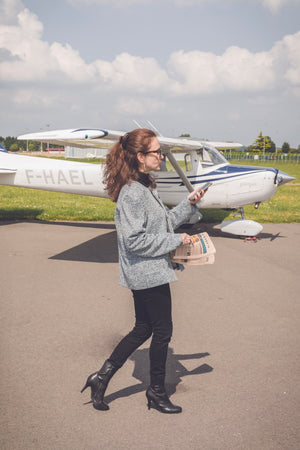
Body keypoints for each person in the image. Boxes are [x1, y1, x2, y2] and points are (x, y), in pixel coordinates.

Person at [81, 128, 206, 414]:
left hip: (151, 270)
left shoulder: (145, 187)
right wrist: (178, 240)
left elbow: (161, 226)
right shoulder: (132, 193)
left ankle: (100, 378)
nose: (161, 156)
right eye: (156, 151)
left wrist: (188, 205)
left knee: (144, 328)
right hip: (146, 272)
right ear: (140, 156)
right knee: (162, 331)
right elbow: (134, 241)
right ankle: (157, 393)